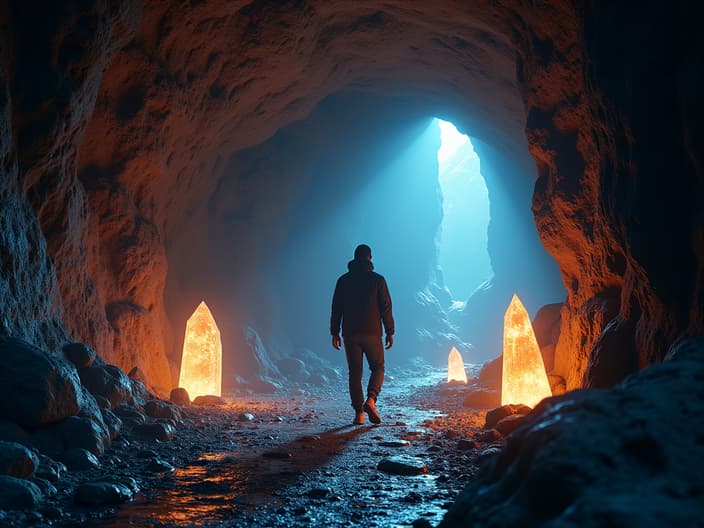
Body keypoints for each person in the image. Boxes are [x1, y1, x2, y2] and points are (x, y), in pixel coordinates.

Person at [330, 244, 394, 425]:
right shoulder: (378, 280)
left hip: (350, 334)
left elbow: (336, 308)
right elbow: (386, 308)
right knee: (378, 367)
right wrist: (390, 331)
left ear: (354, 258)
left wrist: (334, 332)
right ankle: (371, 400)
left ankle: (359, 414)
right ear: (370, 258)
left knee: (355, 373)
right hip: (373, 333)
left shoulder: (343, 280)